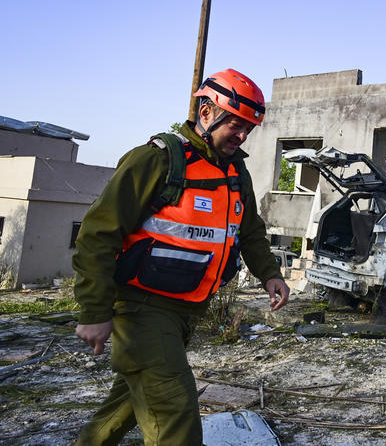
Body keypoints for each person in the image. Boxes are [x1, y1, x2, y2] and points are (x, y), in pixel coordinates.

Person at [72, 69, 289, 445]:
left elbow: (249, 230)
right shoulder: (157, 161)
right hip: (141, 311)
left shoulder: (236, 173)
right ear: (206, 113)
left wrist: (270, 273)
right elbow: (97, 234)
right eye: (235, 125)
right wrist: (94, 312)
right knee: (177, 418)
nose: (241, 136)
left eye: (248, 130)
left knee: (125, 408)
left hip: (186, 314)